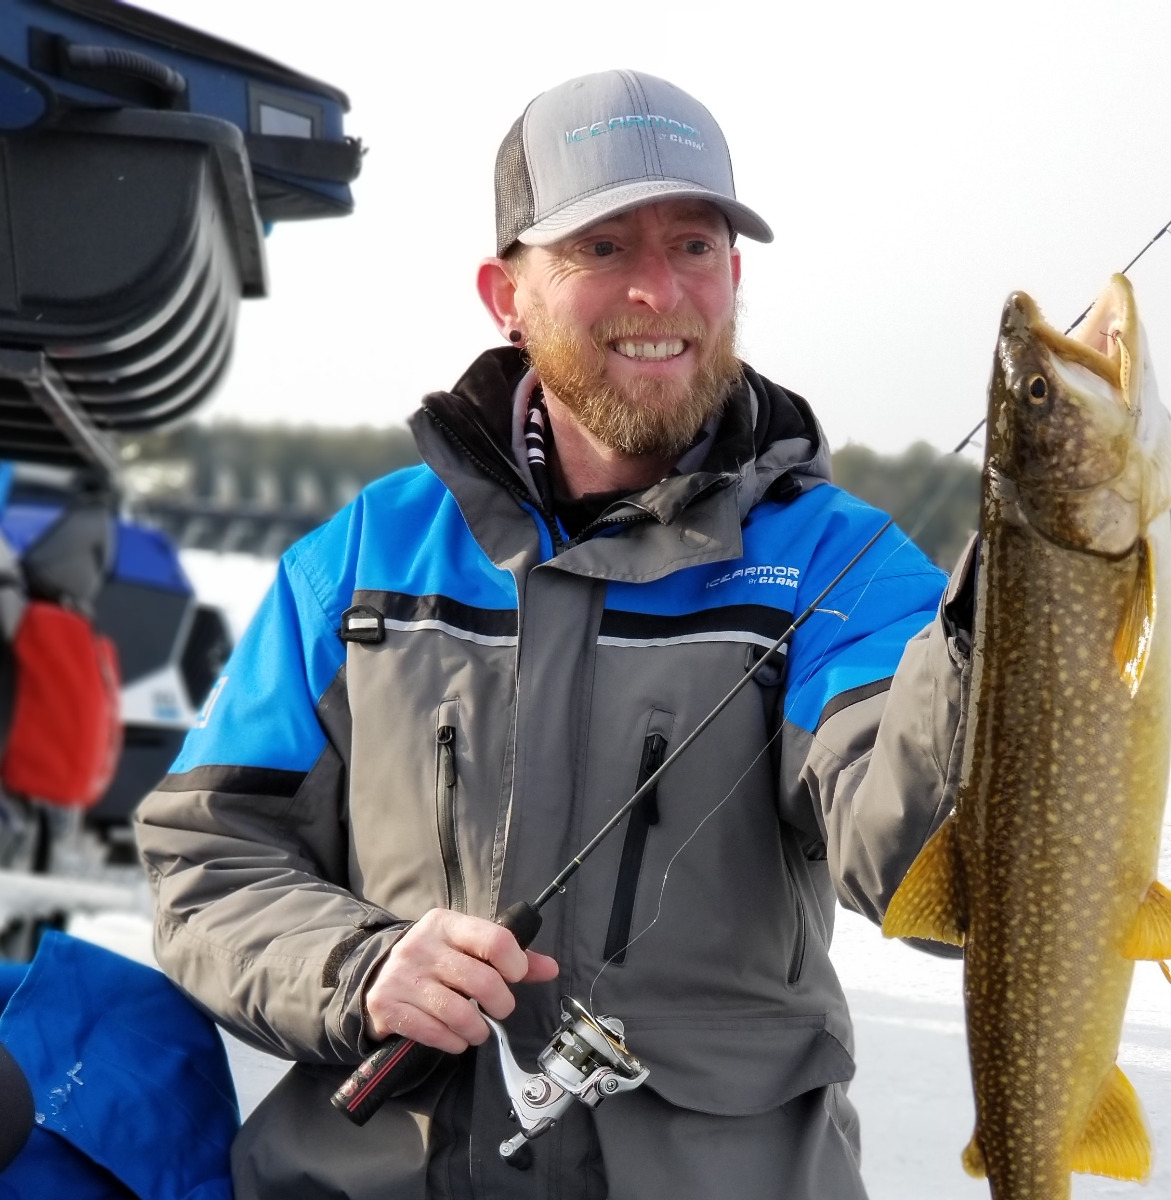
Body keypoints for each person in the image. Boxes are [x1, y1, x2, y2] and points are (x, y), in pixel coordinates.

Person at [135, 69, 974, 1200]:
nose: (657, 292)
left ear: (735, 275)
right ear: (506, 293)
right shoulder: (362, 558)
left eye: (693, 245)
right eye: (603, 249)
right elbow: (208, 854)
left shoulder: (843, 569)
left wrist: (996, 648)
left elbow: (923, 860)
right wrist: (360, 967)